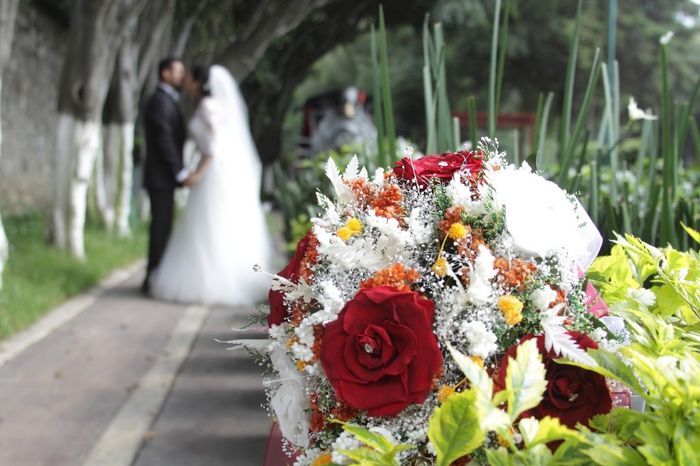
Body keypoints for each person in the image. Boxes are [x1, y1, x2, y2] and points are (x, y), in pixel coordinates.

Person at [149, 65, 274, 305]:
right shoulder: (211, 105)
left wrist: (197, 173)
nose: (184, 81)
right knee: (209, 224)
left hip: (212, 172)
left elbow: (213, 147)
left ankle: (213, 279)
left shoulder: (208, 106)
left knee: (211, 223)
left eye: (188, 78)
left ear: (198, 82)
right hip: (217, 171)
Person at [142, 57, 188, 294]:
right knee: (160, 227)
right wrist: (178, 170)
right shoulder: (160, 102)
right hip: (160, 177)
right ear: (165, 73)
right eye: (177, 71)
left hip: (163, 178)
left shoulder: (168, 100)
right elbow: (164, 139)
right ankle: (151, 277)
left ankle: (154, 275)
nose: (181, 76)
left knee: (164, 226)